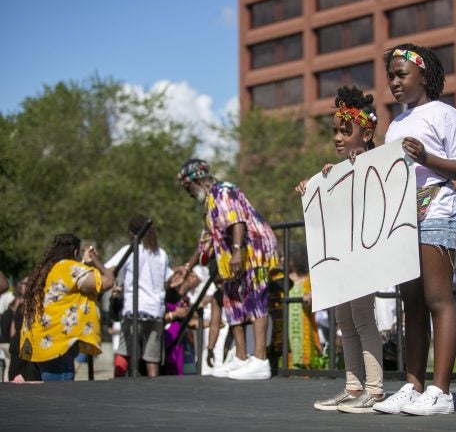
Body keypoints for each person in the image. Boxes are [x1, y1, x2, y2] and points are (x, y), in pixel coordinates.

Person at [373, 44, 456, 416]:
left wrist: (426, 157)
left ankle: (441, 391)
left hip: (436, 209)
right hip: (402, 217)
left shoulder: (444, 114)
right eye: (391, 77)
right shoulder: (396, 122)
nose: (394, 83)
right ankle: (414, 385)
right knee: (411, 304)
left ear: (423, 75)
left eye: (401, 75)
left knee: (437, 298)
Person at [296, 86, 385, 413]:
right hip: (342, 258)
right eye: (335, 130)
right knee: (345, 320)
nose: (337, 137)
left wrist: (355, 167)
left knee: (362, 319)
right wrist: (313, 188)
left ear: (366, 132)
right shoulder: (335, 171)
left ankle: (374, 390)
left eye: (345, 130)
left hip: (362, 255)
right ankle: (353, 386)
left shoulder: (375, 164)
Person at [178, 158, 279, 380]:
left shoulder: (223, 191)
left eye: (187, 187)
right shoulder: (209, 204)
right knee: (232, 303)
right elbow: (205, 240)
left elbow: (238, 222)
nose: (188, 192)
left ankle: (260, 359)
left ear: (196, 181)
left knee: (255, 299)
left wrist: (235, 250)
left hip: (253, 251)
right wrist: (187, 267)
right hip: (233, 260)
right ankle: (241, 357)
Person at [20, 234, 114, 381]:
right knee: (61, 397)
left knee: (50, 396)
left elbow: (71, 286)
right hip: (59, 347)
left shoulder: (44, 271)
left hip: (39, 345)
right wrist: (95, 258)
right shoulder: (69, 268)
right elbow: (107, 281)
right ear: (75, 252)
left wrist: (85, 262)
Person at [106, 216, 173, 378]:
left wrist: (93, 258)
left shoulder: (130, 250)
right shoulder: (161, 253)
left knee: (124, 351)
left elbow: (109, 270)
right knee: (152, 357)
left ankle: (118, 382)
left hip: (134, 308)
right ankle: (154, 388)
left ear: (131, 234)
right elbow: (167, 279)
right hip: (155, 310)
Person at [286, 242, 321, 369]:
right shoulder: (282, 279)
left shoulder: (310, 279)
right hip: (287, 331)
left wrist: (313, 295)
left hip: (307, 329)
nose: (284, 259)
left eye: (288, 257)